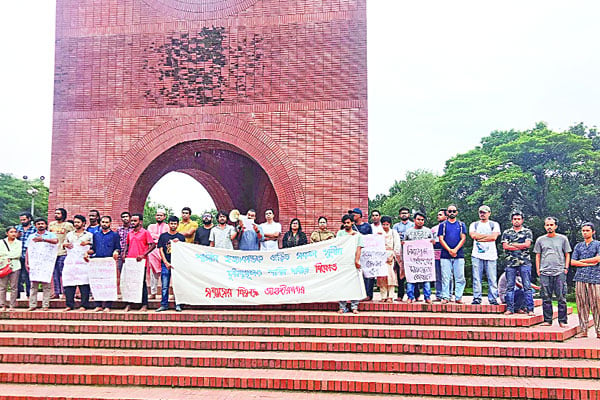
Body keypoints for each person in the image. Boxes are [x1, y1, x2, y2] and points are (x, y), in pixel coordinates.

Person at [534, 217, 571, 327]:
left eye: (551, 225)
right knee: (545, 297)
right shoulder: (540, 240)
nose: (549, 227)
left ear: (555, 226)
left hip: (559, 271)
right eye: (547, 225)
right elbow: (538, 255)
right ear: (545, 226)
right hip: (544, 271)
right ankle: (547, 320)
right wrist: (538, 269)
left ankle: (562, 321)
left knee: (561, 297)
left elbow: (567, 253)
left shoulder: (563, 239)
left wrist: (566, 268)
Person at [501, 211, 534, 315]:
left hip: (524, 262)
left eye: (518, 219)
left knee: (527, 286)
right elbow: (505, 246)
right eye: (515, 219)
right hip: (510, 263)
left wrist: (513, 245)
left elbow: (527, 245)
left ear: (522, 220)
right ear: (512, 220)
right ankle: (510, 309)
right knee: (510, 286)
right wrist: (520, 245)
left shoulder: (527, 232)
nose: (516, 221)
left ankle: (530, 309)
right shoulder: (507, 232)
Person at [570, 222, 600, 338]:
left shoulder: (597, 244)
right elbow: (572, 262)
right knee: (582, 304)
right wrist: (589, 262)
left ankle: (598, 330)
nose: (585, 232)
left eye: (587, 230)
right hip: (580, 278)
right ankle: (584, 330)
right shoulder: (578, 246)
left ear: (593, 232)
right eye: (583, 231)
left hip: (596, 278)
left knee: (597, 304)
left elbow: (598, 259)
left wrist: (582, 262)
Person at [123, 213, 156, 312]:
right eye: (132, 221)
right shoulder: (130, 233)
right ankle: (129, 304)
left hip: (141, 262)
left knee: (141, 283)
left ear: (140, 222)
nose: (132, 222)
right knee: (129, 282)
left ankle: (144, 305)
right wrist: (124, 254)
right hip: (130, 261)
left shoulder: (145, 232)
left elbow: (152, 245)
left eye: (135, 221)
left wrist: (143, 255)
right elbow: (127, 245)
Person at [470, 205, 501, 305]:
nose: (482, 214)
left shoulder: (494, 224)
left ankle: (493, 298)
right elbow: (473, 236)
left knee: (492, 278)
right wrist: (488, 236)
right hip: (476, 255)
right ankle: (477, 298)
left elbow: (494, 237)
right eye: (480, 212)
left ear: (489, 213)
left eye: (484, 212)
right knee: (476, 278)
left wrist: (480, 237)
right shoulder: (474, 224)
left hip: (491, 255)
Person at [89, 215, 121, 312]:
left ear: (110, 223)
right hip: (98, 262)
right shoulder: (96, 235)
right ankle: (98, 305)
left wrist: (116, 252)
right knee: (98, 282)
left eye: (107, 222)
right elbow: (93, 249)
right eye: (103, 222)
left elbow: (118, 248)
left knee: (109, 283)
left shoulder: (115, 235)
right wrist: (87, 253)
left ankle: (108, 305)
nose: (104, 224)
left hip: (108, 262)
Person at [62, 215, 93, 312]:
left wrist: (87, 244)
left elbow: (93, 248)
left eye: (78, 222)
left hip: (83, 262)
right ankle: (69, 305)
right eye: (75, 222)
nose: (76, 224)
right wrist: (65, 244)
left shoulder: (89, 235)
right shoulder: (69, 235)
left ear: (83, 223)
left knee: (84, 283)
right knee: (69, 283)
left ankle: (84, 305)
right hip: (71, 261)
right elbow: (64, 245)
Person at [26, 218, 58, 311]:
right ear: (35, 226)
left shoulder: (51, 235)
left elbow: (56, 241)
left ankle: (45, 305)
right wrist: (27, 262)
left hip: (46, 263)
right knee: (33, 285)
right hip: (35, 263)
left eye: (42, 224)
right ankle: (32, 305)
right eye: (38, 224)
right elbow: (28, 250)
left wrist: (43, 239)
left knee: (46, 285)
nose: (40, 225)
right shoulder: (31, 236)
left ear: (46, 225)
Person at [156, 216, 186, 312]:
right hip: (166, 263)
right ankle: (164, 304)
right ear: (168, 224)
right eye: (171, 223)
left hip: (177, 265)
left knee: (178, 285)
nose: (173, 225)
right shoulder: (163, 236)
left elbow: (183, 251)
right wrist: (166, 262)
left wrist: (179, 243)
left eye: (175, 224)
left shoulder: (181, 237)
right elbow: (160, 250)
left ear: (177, 225)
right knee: (165, 286)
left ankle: (178, 304)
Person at [438, 205, 467, 304]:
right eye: (450, 211)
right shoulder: (443, 225)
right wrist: (449, 250)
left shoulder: (461, 224)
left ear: (457, 212)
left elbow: (463, 238)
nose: (452, 213)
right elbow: (441, 238)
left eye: (454, 211)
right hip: (445, 255)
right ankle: (445, 297)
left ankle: (458, 297)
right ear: (447, 212)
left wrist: (455, 250)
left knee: (460, 277)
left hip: (459, 255)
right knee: (445, 277)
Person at [404, 212, 434, 303]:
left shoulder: (428, 231)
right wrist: (404, 244)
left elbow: (432, 243)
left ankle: (427, 297)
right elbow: (405, 243)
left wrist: (432, 242)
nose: (420, 221)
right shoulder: (409, 231)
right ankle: (410, 297)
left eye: (422, 220)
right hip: (412, 260)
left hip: (425, 261)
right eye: (418, 219)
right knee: (410, 279)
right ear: (414, 220)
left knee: (426, 278)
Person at [337, 214, 363, 314]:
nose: (346, 225)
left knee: (354, 285)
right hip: (342, 262)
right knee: (342, 285)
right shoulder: (340, 233)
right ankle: (342, 307)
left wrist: (357, 261)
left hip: (353, 263)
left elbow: (359, 248)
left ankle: (354, 306)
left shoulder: (358, 235)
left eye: (348, 223)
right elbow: (338, 246)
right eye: (344, 223)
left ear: (352, 223)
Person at [48, 208, 75, 300]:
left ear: (63, 215)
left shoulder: (68, 225)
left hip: (63, 252)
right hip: (52, 252)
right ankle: (56, 292)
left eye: (58, 213)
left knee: (64, 273)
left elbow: (73, 237)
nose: (56, 215)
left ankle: (65, 293)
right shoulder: (51, 225)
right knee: (54, 274)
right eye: (55, 213)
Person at [393, 207, 414, 301]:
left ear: (409, 215)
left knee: (413, 273)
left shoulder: (413, 225)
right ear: (399, 215)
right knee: (400, 273)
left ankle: (414, 295)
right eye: (402, 213)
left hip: (411, 252)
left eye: (406, 213)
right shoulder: (396, 226)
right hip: (399, 252)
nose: (404, 214)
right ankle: (400, 295)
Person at [377, 216, 400, 302]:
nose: (385, 226)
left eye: (387, 224)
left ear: (390, 224)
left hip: (391, 256)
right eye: (383, 224)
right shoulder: (379, 233)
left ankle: (390, 296)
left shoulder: (394, 233)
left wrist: (393, 255)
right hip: (381, 256)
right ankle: (383, 296)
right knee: (381, 276)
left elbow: (397, 245)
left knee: (391, 276)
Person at [147, 209, 169, 299]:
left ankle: (165, 295)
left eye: (161, 215)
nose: (159, 217)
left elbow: (166, 237)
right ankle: (153, 293)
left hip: (164, 250)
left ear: (164, 217)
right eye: (157, 215)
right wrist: (160, 237)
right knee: (153, 273)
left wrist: (156, 237)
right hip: (153, 250)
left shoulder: (167, 226)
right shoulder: (151, 226)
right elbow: (149, 236)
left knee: (165, 273)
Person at [0, 227, 22, 311]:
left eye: (15, 232)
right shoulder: (1, 242)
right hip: (3, 266)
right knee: (2, 287)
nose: (13, 234)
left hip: (15, 266)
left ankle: (12, 305)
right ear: (7, 233)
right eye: (11, 232)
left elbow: (18, 254)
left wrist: (6, 255)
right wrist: (8, 255)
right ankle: (3, 305)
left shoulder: (19, 243)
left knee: (14, 286)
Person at [16, 212, 36, 298]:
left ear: (29, 219)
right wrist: (16, 236)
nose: (22, 221)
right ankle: (17, 295)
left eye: (24, 219)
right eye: (21, 220)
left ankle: (29, 294)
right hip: (18, 255)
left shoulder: (34, 229)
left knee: (28, 276)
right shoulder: (17, 228)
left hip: (29, 255)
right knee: (17, 276)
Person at [430, 209, 448, 301]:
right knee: (438, 276)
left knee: (447, 275)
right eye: (438, 214)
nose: (438, 216)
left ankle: (448, 294)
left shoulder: (449, 226)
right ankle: (438, 295)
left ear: (446, 216)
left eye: (440, 215)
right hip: (436, 255)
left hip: (447, 255)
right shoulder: (433, 229)